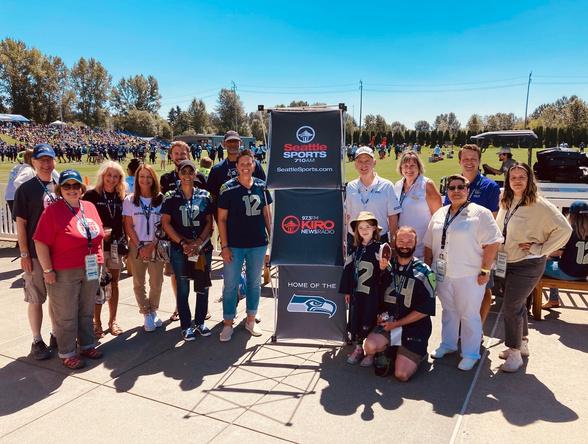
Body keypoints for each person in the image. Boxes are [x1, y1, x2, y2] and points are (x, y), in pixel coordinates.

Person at [496, 163, 572, 372]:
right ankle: (522, 344)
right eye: (513, 177)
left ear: (530, 180)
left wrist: (541, 249)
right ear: (508, 181)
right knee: (517, 304)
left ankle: (514, 353)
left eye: (522, 177)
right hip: (506, 261)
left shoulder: (539, 204)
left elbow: (565, 229)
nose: (517, 181)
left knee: (511, 306)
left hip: (528, 264)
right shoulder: (507, 200)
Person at [424, 174, 503, 371]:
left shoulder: (480, 213)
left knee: (469, 314)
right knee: (449, 311)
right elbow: (428, 243)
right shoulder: (440, 213)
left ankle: (470, 353)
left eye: (461, 187)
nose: (456, 191)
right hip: (443, 273)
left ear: (468, 190)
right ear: (447, 191)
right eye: (452, 188)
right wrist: (428, 267)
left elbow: (493, 242)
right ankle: (448, 344)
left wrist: (485, 269)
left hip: (469, 274)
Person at [33, 169, 104, 369]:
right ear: (60, 189)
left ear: (82, 188)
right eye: (67, 186)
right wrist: (47, 270)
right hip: (64, 270)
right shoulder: (53, 211)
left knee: (86, 309)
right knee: (66, 314)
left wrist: (102, 263)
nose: (72, 189)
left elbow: (99, 236)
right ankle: (67, 352)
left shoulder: (89, 206)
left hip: (91, 266)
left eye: (75, 185)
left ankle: (87, 345)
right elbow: (40, 242)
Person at [363, 226, 436, 381]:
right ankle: (391, 349)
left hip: (414, 328)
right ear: (394, 242)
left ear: (416, 243)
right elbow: (375, 294)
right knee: (369, 346)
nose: (405, 245)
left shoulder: (425, 272)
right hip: (389, 322)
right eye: (401, 241)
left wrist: (397, 324)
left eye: (409, 241)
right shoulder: (387, 266)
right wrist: (378, 314)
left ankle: (418, 353)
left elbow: (425, 310)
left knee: (401, 375)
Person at [217, 149, 272, 342]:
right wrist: (224, 246)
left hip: (257, 243)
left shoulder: (261, 186)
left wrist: (272, 239)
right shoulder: (227, 188)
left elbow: (267, 215)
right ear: (237, 166)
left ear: (254, 165)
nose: (246, 167)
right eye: (242, 164)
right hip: (235, 245)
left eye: (249, 163)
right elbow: (221, 219)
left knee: (254, 283)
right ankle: (228, 322)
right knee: (231, 284)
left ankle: (250, 319)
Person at [12, 144, 60, 360]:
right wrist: (24, 254)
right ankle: (36, 340)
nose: (46, 164)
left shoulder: (61, 186)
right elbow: (21, 224)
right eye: (42, 160)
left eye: (49, 160)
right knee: (36, 298)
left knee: (57, 298)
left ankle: (56, 334)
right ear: (34, 162)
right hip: (34, 253)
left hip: (59, 252)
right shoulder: (25, 189)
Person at [445, 144, 501, 327]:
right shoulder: (453, 183)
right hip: (456, 249)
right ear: (459, 161)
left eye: (473, 159)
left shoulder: (489, 186)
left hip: (479, 249)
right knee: (457, 291)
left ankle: (478, 330)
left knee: (483, 288)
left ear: (479, 161)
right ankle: (461, 328)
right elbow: (447, 213)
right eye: (465, 159)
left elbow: (492, 221)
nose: (469, 162)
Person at [161, 160, 213, 341]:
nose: (187, 176)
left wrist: (198, 242)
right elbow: (166, 223)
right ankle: (185, 325)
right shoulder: (170, 196)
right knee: (183, 288)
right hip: (179, 249)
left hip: (202, 248)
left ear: (195, 173)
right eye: (184, 172)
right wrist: (183, 243)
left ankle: (200, 322)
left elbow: (209, 222)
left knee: (202, 286)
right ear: (178, 174)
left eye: (190, 172)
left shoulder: (205, 195)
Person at [160, 141, 207, 322]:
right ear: (171, 156)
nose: (179, 156)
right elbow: (164, 215)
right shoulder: (166, 180)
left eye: (183, 153)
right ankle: (180, 310)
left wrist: (199, 241)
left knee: (199, 278)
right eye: (176, 153)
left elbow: (207, 212)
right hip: (176, 239)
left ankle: (200, 314)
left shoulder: (200, 181)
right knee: (179, 278)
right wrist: (180, 241)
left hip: (198, 239)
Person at [83, 161, 127, 338]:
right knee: (96, 284)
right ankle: (97, 322)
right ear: (102, 175)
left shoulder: (121, 196)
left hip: (115, 246)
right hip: (96, 248)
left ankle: (112, 320)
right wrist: (100, 232)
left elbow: (125, 222)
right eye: (109, 175)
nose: (112, 179)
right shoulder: (91, 195)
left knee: (114, 283)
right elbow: (83, 221)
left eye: (116, 176)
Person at [123, 164, 165, 332]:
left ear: (153, 179)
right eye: (141, 176)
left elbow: (163, 225)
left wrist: (152, 245)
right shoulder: (130, 200)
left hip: (156, 244)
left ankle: (153, 310)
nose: (145, 180)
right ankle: (145, 312)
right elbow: (128, 226)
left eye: (148, 177)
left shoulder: (161, 198)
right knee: (138, 281)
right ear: (136, 179)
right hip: (136, 245)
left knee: (157, 281)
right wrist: (141, 246)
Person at [339, 212, 383, 365]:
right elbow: (348, 269)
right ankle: (358, 348)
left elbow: (386, 272)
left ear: (374, 228)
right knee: (356, 318)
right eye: (361, 227)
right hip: (356, 292)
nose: (364, 230)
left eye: (368, 227)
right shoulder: (355, 248)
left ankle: (371, 352)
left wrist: (384, 266)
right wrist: (346, 290)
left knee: (369, 318)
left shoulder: (380, 248)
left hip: (372, 293)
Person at [345, 146, 401, 252]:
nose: (363, 165)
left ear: (374, 162)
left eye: (367, 161)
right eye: (360, 161)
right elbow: (346, 216)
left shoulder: (387, 186)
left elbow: (393, 217)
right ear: (355, 164)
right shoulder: (350, 186)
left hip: (379, 240)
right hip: (354, 240)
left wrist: (393, 245)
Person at [394, 151, 442, 259]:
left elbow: (439, 218)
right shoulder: (397, 185)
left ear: (419, 167)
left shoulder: (427, 185)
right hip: (402, 246)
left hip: (422, 248)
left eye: (412, 166)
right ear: (401, 168)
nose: (409, 169)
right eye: (406, 166)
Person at [542, 201, 588, 308]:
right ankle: (553, 300)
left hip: (567, 272)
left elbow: (557, 252)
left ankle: (549, 299)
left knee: (536, 265)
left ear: (571, 215)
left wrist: (543, 255)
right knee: (553, 259)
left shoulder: (570, 231)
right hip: (584, 274)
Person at [207, 131, 266, 209]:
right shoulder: (217, 169)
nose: (232, 144)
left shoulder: (254, 165)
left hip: (253, 213)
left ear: (240, 143)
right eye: (229, 141)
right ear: (224, 144)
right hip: (227, 215)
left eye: (235, 141)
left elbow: (264, 190)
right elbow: (213, 197)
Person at [5, 148, 33, 214]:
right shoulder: (26, 169)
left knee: (17, 218)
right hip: (17, 196)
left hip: (9, 196)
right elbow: (18, 182)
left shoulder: (14, 168)